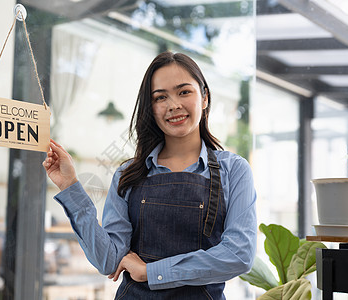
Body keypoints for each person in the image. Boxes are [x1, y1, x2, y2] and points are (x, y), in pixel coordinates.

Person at [43, 51, 257, 299]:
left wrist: (152, 272)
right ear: (151, 108)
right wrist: (70, 186)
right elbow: (109, 261)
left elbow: (239, 255)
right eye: (160, 97)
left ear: (205, 97)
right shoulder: (128, 174)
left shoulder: (234, 171)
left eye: (184, 92)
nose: (173, 105)